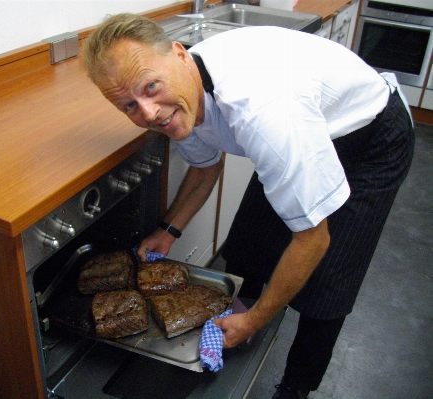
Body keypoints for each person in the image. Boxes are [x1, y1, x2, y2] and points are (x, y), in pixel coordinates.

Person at [81, 13, 415, 399]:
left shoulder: (262, 113)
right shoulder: (181, 95)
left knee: (328, 281)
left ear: (179, 54)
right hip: (305, 127)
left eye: (150, 88)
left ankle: (293, 389)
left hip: (369, 142)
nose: (149, 113)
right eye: (129, 106)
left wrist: (255, 320)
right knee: (248, 243)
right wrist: (169, 229)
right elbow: (206, 168)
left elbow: (313, 240)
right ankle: (232, 326)